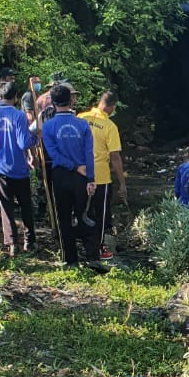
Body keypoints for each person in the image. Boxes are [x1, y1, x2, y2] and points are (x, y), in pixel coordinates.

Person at [42, 83, 103, 271]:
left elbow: (52, 154)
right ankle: (92, 256)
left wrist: (73, 167)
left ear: (52, 102)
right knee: (86, 214)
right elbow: (89, 152)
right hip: (83, 175)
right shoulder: (82, 124)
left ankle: (70, 259)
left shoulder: (48, 126)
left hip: (60, 175)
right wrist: (90, 177)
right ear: (71, 100)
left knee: (64, 217)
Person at [0, 81, 37, 257]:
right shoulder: (19, 116)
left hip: (0, 169)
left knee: (5, 206)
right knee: (26, 205)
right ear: (15, 97)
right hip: (19, 168)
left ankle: (12, 243)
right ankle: (30, 241)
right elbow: (24, 142)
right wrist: (35, 138)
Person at [78, 92, 127, 259]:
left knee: (83, 211)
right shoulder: (109, 126)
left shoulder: (81, 117)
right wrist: (122, 182)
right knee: (101, 215)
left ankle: (83, 245)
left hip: (80, 174)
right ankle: (97, 249)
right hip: (100, 176)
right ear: (112, 107)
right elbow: (115, 157)